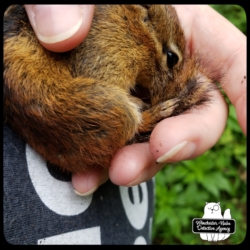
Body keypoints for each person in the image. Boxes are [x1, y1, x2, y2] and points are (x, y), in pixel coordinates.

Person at [3, 5, 246, 244]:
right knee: (125, 115)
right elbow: (92, 70)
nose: (168, 76)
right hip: (50, 113)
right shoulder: (115, 32)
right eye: (170, 59)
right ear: (141, 15)